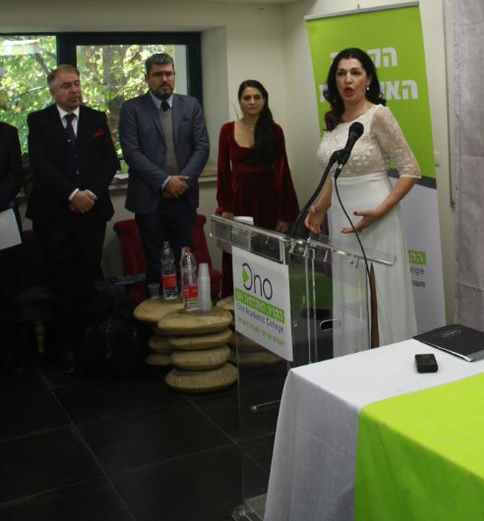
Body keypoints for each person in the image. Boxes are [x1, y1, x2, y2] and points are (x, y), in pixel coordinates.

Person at [305, 48, 420, 349]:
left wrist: (380, 211)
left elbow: (411, 170)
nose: (348, 79)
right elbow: (335, 174)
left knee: (377, 293)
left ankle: (385, 360)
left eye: (355, 73)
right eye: (341, 73)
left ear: (368, 79)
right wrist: (321, 206)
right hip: (341, 218)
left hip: (376, 216)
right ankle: (354, 361)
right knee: (351, 296)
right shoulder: (334, 121)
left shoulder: (378, 115)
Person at [26, 65, 119, 373]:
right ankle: (65, 351)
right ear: (54, 92)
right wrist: (71, 194)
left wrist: (89, 193)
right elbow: (40, 165)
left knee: (87, 282)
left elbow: (110, 161)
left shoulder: (96, 118)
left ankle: (91, 346)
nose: (75, 90)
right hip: (55, 215)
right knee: (61, 285)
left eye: (77, 84)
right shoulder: (39, 121)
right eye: (67, 86)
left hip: (91, 213)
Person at [119, 52, 210, 290]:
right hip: (149, 199)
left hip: (184, 198)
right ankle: (157, 312)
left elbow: (202, 147)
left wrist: (182, 183)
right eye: (158, 75)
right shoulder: (132, 108)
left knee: (184, 261)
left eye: (169, 74)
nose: (165, 79)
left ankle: (184, 310)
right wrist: (165, 181)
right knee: (155, 265)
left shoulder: (190, 105)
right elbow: (132, 153)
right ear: (147, 78)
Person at [216, 80, 299, 295]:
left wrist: (284, 213)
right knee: (239, 256)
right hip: (239, 203)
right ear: (240, 101)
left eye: (257, 97)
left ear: (264, 100)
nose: (252, 102)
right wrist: (225, 207)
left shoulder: (275, 130)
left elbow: (283, 171)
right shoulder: (227, 130)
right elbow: (223, 171)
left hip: (268, 201)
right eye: (247, 98)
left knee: (268, 257)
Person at [0, 120, 25, 374]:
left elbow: (15, 174)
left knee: (8, 290)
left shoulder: (8, 133)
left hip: (3, 219)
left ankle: (12, 354)